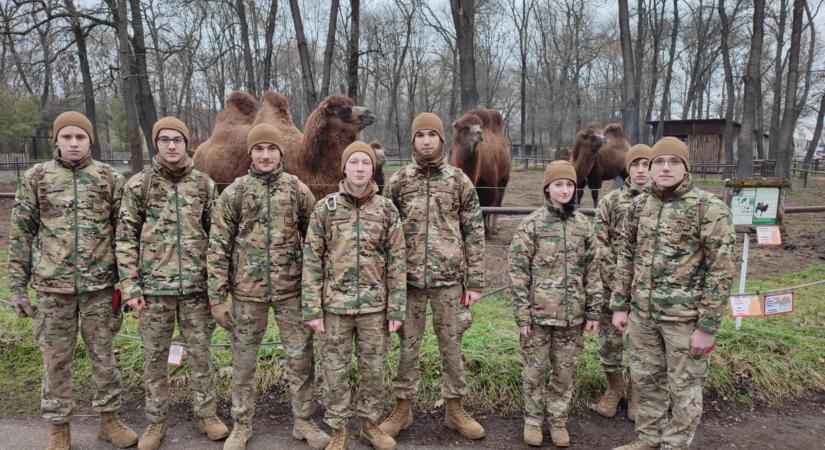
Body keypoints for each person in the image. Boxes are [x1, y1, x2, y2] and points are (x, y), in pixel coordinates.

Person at [8, 111, 137, 450]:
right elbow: (21, 234)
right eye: (67, 137)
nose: (74, 143)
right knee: (55, 361)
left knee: (104, 357)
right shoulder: (37, 178)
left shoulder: (109, 177)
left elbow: (124, 235)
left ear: (90, 140)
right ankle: (59, 428)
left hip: (99, 288)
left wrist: (128, 284)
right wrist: (17, 288)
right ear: (57, 141)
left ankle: (109, 421)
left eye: (80, 137)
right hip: (53, 289)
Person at [610, 137, 736, 450]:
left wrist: (707, 326)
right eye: (659, 162)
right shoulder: (639, 206)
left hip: (685, 320)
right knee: (646, 382)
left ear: (685, 167)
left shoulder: (709, 208)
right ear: (650, 169)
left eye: (674, 162)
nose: (666, 168)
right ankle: (648, 439)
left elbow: (721, 270)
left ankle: (675, 445)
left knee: (685, 389)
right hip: (643, 316)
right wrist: (620, 306)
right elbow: (626, 257)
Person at [207, 124, 325, 450]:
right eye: (259, 149)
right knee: (243, 363)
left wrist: (315, 291)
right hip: (246, 293)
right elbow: (218, 246)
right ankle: (241, 424)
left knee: (301, 360)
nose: (265, 155)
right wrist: (218, 297)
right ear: (251, 154)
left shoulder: (297, 191)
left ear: (280, 153)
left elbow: (315, 243)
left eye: (271, 149)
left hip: (291, 292)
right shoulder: (235, 193)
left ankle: (304, 421)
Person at [116, 116, 228, 449]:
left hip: (196, 289)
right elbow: (125, 238)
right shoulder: (140, 185)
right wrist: (131, 287)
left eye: (177, 139)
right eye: (164, 140)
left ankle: (207, 413)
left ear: (186, 143)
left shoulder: (204, 185)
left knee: (200, 355)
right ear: (157, 144)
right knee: (154, 358)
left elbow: (218, 239)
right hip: (154, 292)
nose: (171, 145)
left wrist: (216, 287)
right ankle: (155, 421)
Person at [381, 113, 486, 441]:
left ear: (442, 139)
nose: (426, 140)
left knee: (451, 346)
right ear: (413, 140)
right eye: (420, 135)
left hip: (448, 282)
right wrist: (388, 281)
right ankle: (402, 409)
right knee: (407, 348)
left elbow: (474, 231)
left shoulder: (458, 181)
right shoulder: (398, 182)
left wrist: (476, 281)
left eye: (432, 135)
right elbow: (385, 232)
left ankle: (455, 409)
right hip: (408, 283)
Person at [303, 141, 407, 450]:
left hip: (375, 308)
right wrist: (312, 307)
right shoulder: (326, 208)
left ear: (373, 168)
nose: (360, 168)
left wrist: (396, 308)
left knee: (374, 370)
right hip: (334, 307)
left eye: (365, 163)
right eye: (354, 162)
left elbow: (397, 261)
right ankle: (338, 430)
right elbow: (311, 259)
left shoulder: (386, 209)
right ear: (344, 167)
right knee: (334, 371)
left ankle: (370, 425)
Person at [508, 160, 602, 447]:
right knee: (534, 372)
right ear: (547, 188)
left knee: (564, 373)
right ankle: (534, 421)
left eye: (569, 185)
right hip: (537, 317)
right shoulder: (532, 225)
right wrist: (522, 315)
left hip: (572, 318)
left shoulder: (584, 226)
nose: (564, 189)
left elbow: (593, 270)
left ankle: (558, 421)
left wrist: (594, 309)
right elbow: (517, 270)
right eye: (558, 184)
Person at [591, 144, 652, 420]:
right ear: (627, 168)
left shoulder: (659, 203)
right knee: (609, 342)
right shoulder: (611, 201)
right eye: (636, 165)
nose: (641, 170)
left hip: (648, 290)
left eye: (646, 164)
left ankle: (638, 393)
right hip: (612, 287)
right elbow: (598, 242)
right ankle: (615, 389)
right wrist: (616, 280)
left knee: (643, 343)